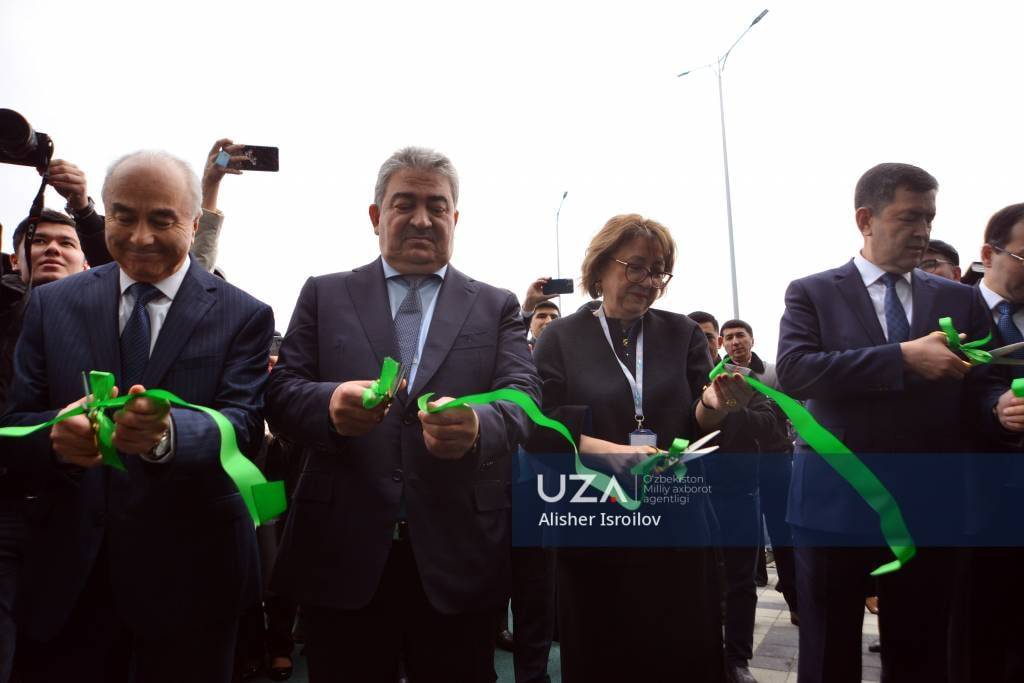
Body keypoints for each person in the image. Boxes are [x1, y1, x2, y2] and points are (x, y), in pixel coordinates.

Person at [265, 146, 540, 683]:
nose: (421, 219)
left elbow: (524, 398)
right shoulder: (324, 294)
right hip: (341, 550)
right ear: (376, 215)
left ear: (455, 217)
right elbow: (280, 393)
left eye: (437, 207)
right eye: (404, 204)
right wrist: (329, 404)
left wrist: (479, 425)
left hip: (459, 553)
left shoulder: (495, 304)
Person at [0, 149, 274, 683]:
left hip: (192, 576)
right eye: (123, 216)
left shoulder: (244, 313)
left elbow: (243, 423)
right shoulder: (50, 305)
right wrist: (54, 438)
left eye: (161, 220)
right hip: (69, 575)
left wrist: (168, 434)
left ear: (194, 222)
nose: (140, 236)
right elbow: (17, 421)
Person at [776, 162, 999, 683]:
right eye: (909, 217)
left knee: (922, 651)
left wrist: (999, 410)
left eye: (930, 217)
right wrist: (901, 357)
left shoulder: (960, 298)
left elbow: (981, 385)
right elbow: (795, 371)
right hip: (834, 503)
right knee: (828, 651)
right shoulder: (812, 292)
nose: (923, 231)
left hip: (928, 503)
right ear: (866, 219)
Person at [526, 213, 755, 682]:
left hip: (677, 523)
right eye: (636, 267)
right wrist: (612, 452)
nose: (649, 281)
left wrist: (714, 405)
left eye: (658, 272)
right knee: (605, 656)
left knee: (683, 654)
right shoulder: (560, 338)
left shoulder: (682, 333)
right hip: (595, 524)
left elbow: (699, 418)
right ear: (600, 266)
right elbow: (538, 425)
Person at [948, 203, 1024, 682]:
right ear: (989, 254)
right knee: (974, 637)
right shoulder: (944, 312)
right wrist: (995, 409)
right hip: (969, 505)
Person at [706, 319, 790, 683]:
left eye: (707, 337)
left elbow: (770, 425)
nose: (701, 345)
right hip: (689, 495)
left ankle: (737, 659)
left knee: (741, 581)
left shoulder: (745, 381)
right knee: (700, 581)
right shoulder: (678, 383)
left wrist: (731, 407)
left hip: (740, 493)